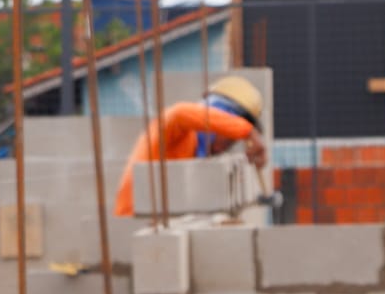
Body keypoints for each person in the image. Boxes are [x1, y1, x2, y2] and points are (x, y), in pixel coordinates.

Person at [112, 76, 268, 217]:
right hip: (133, 220)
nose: (224, 149)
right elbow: (180, 113)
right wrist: (247, 131)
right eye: (228, 137)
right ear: (218, 117)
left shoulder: (195, 150)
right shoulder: (175, 129)